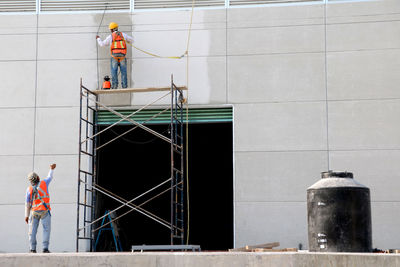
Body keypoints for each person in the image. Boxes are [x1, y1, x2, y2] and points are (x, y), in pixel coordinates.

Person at [25, 164, 56, 253]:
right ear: (38, 177)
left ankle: (32, 249)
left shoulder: (29, 189)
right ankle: (45, 248)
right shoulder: (44, 183)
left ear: (30, 181)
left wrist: (26, 216)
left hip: (34, 212)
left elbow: (27, 204)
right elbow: (50, 177)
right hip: (45, 211)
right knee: (46, 229)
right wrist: (51, 169)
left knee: (32, 231)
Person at [96, 22, 133, 89]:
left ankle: (114, 86)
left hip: (114, 56)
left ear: (111, 30)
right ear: (117, 28)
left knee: (114, 72)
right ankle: (124, 86)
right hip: (122, 56)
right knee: (123, 72)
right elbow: (132, 40)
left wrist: (98, 38)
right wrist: (127, 41)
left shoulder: (110, 36)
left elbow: (102, 44)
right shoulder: (123, 35)